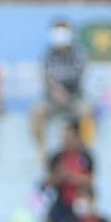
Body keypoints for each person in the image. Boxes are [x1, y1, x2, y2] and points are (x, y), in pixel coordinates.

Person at [29, 19, 88, 153]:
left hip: (74, 97)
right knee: (37, 112)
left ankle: (83, 151)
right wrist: (56, 90)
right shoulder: (48, 53)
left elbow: (77, 75)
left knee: (86, 112)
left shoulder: (79, 53)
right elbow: (46, 75)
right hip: (53, 99)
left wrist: (63, 90)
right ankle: (42, 152)